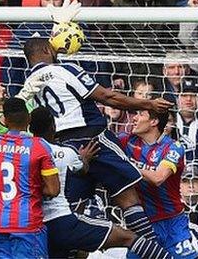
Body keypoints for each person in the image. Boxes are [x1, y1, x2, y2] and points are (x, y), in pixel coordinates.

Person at [18, 37, 173, 249]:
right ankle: (156, 252)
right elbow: (108, 97)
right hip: (93, 139)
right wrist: (148, 103)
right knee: (128, 199)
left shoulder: (28, 86)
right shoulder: (65, 70)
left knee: (74, 214)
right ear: (46, 49)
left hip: (62, 150)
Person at [29, 107, 172, 258]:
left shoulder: (24, 154)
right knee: (128, 238)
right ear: (54, 126)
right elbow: (81, 170)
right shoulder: (66, 153)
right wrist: (83, 159)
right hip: (63, 221)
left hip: (35, 225)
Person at [116, 107, 197, 258]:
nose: (134, 118)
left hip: (172, 222)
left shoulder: (173, 147)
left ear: (154, 121)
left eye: (140, 114)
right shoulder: (126, 141)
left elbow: (158, 178)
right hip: (142, 224)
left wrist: (126, 166)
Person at [0, 97, 60, 258]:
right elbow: (53, 190)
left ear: (5, 119)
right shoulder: (39, 146)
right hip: (27, 223)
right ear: (28, 117)